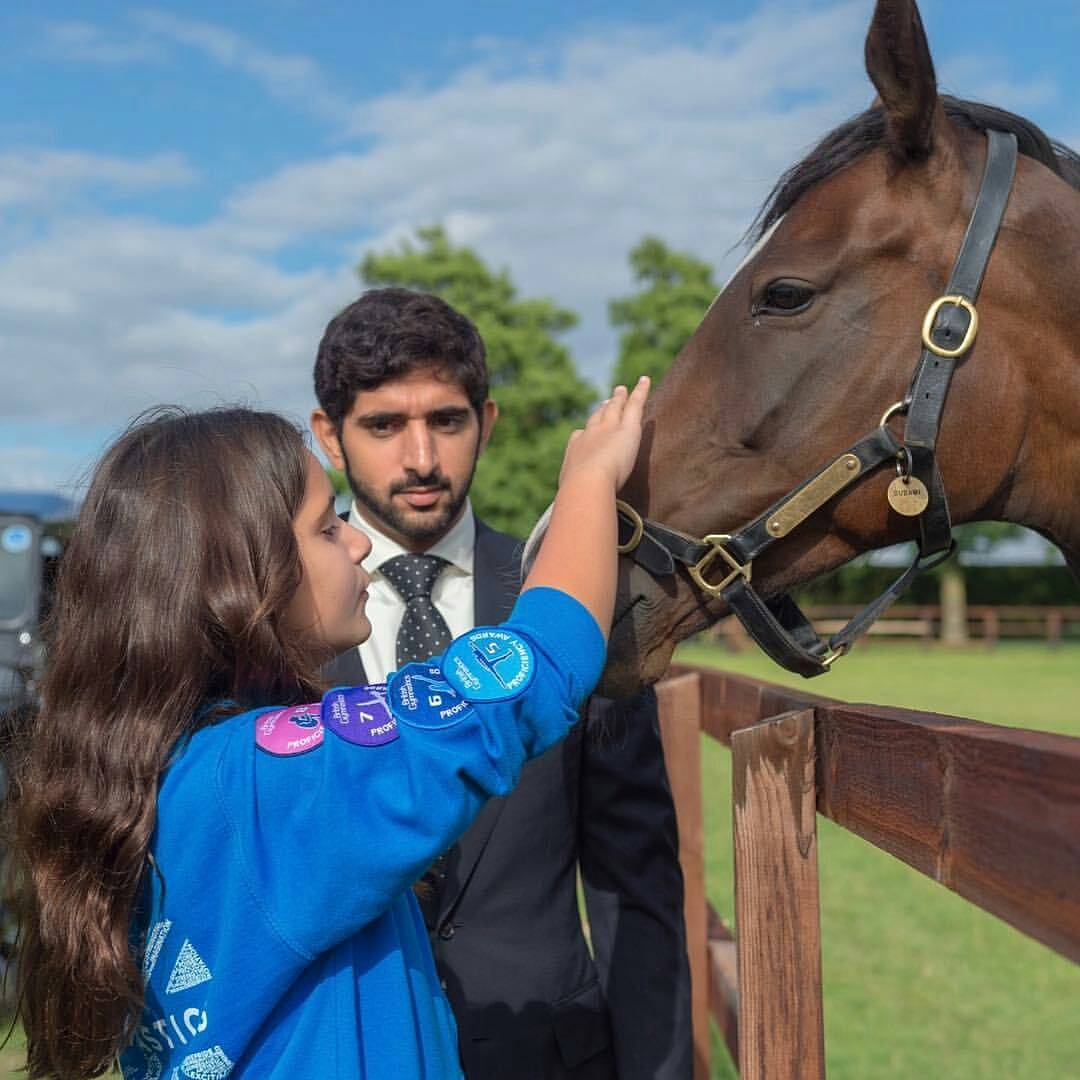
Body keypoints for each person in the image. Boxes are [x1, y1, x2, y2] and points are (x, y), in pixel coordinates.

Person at [5, 380, 648, 1080]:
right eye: (324, 527)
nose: (360, 540)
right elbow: (527, 675)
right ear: (241, 576)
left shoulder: (176, 766)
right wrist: (589, 483)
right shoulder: (271, 781)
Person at [311, 288, 691, 1080]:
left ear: (485, 421)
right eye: (383, 425)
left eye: (446, 422)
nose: (420, 458)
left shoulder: (575, 597)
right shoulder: (279, 622)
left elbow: (635, 882)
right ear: (330, 438)